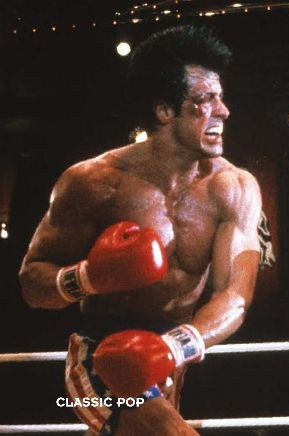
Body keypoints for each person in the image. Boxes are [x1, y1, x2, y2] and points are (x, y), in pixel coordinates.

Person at [19, 25, 262, 435]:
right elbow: (32, 282)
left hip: (172, 354)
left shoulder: (233, 187)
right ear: (165, 111)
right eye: (204, 100)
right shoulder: (94, 182)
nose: (223, 111)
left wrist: (173, 347)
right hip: (101, 354)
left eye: (220, 97)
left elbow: (234, 296)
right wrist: (88, 277)